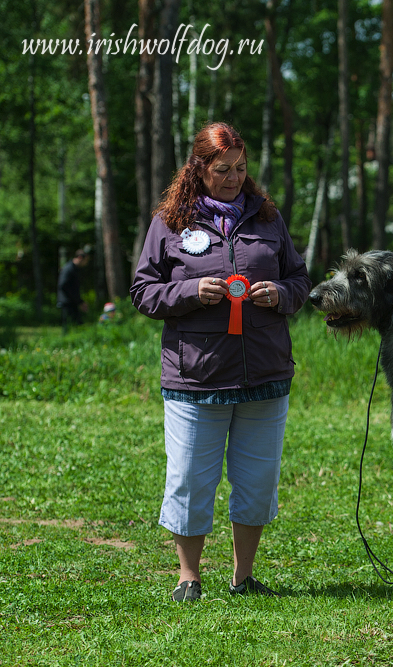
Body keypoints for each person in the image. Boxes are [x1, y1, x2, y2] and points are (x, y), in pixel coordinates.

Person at [131, 122, 311, 602]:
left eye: (241, 168)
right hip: (196, 377)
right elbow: (144, 290)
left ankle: (243, 576)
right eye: (222, 169)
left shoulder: (268, 218)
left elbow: (300, 280)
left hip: (264, 374)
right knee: (190, 478)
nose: (234, 178)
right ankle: (188, 575)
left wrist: (282, 294)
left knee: (256, 480)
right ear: (199, 168)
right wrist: (190, 291)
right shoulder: (170, 222)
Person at [57, 249, 89, 331]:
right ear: (80, 258)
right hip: (67, 303)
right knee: (68, 327)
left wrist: (79, 301)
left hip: (72, 302)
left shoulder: (74, 269)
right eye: (86, 260)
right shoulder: (69, 269)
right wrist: (79, 301)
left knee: (78, 325)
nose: (86, 263)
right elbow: (63, 285)